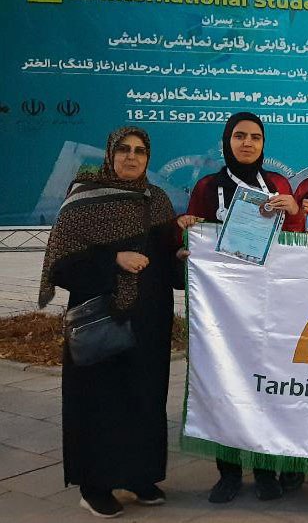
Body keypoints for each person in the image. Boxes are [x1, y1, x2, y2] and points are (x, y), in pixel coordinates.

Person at [38, 127, 184, 518]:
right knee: (100, 402)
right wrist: (113, 260)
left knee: (145, 398)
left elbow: (167, 261)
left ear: (148, 158)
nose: (132, 157)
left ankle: (139, 476)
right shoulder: (83, 199)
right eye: (124, 149)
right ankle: (95, 485)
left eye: (140, 151)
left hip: (149, 321)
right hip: (101, 318)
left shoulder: (157, 199)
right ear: (109, 154)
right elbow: (60, 265)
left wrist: (183, 256)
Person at [178, 112, 302, 503]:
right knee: (224, 384)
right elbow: (190, 235)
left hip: (269, 304)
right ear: (227, 142)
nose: (248, 143)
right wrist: (186, 233)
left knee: (265, 385)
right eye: (240, 136)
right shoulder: (207, 186)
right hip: (222, 307)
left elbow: (296, 242)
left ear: (263, 144)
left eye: (255, 137)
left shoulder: (278, 185)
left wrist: (294, 212)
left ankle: (265, 470)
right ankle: (228, 472)